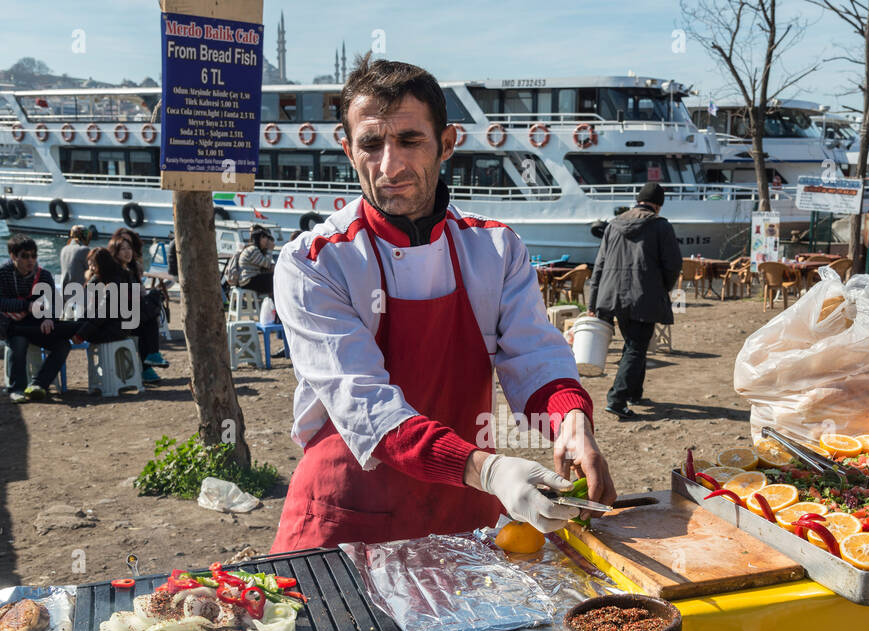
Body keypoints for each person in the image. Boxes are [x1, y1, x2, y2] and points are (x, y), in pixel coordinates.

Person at [270, 55, 615, 551]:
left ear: (447, 143)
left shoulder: (495, 248)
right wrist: (490, 469)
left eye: (409, 140)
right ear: (348, 150)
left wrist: (574, 424)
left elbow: (536, 359)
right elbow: (367, 406)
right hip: (346, 518)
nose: (389, 165)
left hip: (464, 513)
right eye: (371, 144)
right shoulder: (316, 261)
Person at [585, 181, 681, 418]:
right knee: (636, 347)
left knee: (632, 344)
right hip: (644, 295)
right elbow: (673, 264)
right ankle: (617, 399)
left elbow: (599, 265)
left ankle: (634, 392)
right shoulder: (660, 226)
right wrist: (663, 288)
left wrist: (592, 302)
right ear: (658, 205)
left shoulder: (614, 225)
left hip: (612, 296)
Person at [0, 234, 71, 403]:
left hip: (36, 325)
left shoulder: (43, 275)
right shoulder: (0, 273)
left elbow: (55, 302)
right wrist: (26, 306)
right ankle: (16, 389)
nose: (30, 260)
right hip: (13, 325)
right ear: (13, 256)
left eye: (33, 255)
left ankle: (38, 384)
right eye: (25, 256)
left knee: (63, 345)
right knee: (18, 342)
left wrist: (50, 318)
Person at [108, 232, 167, 381]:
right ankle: (152, 358)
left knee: (147, 320)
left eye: (129, 248)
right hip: (116, 318)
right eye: (123, 249)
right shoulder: (114, 272)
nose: (128, 252)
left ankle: (148, 366)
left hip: (131, 315)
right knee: (149, 316)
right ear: (115, 252)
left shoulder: (131, 269)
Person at [237, 225, 276, 298]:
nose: (267, 240)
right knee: (275, 279)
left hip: (250, 279)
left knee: (273, 278)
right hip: (248, 280)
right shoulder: (253, 250)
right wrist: (270, 250)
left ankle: (271, 303)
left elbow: (265, 265)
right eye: (264, 237)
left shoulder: (255, 249)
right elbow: (267, 264)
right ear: (259, 239)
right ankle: (273, 304)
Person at [58, 225, 91, 290]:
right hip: (80, 294)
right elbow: (91, 272)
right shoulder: (84, 250)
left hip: (64, 293)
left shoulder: (64, 249)